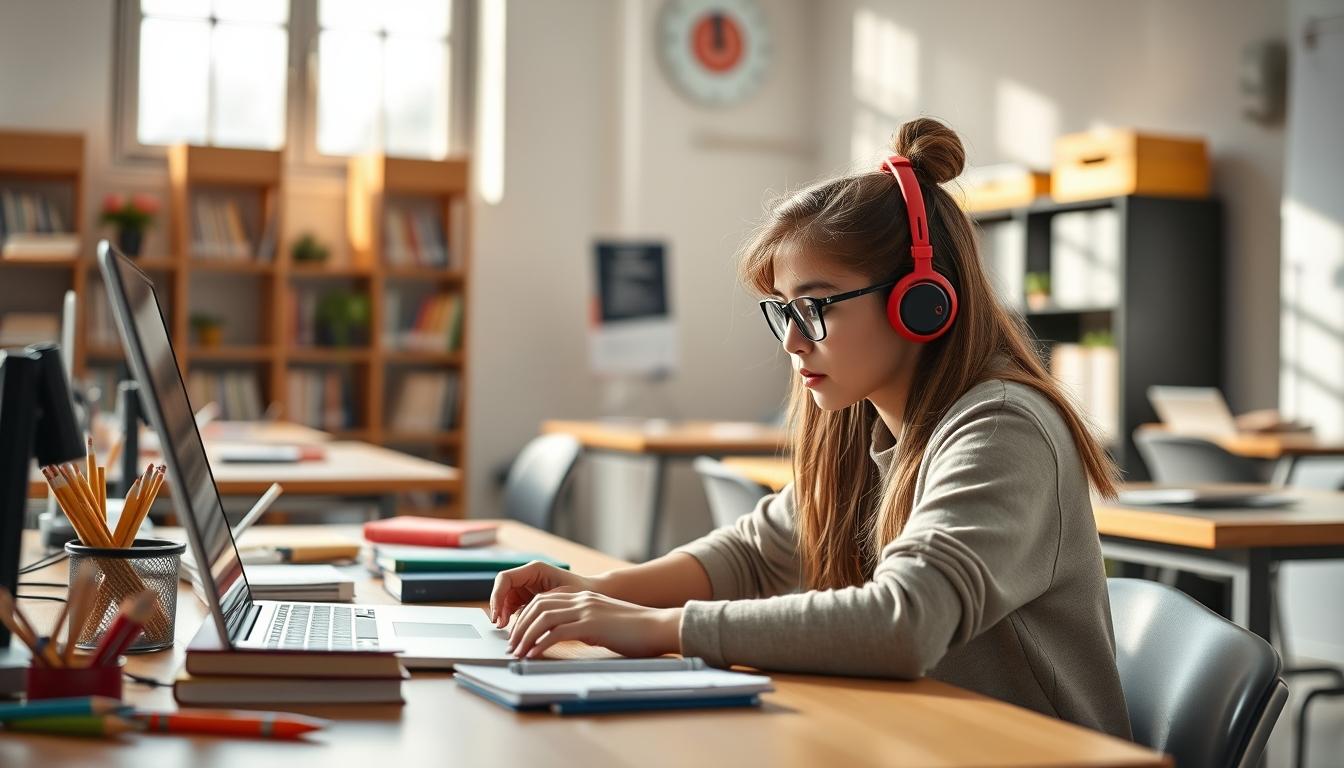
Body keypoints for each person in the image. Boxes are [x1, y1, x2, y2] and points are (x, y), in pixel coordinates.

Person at [490, 117, 1131, 738]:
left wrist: (656, 628)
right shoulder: (865, 425)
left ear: (920, 299)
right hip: (916, 739)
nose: (793, 340)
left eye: (816, 307)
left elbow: (903, 622)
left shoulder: (1002, 430)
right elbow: (754, 553)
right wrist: (599, 593)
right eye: (784, 312)